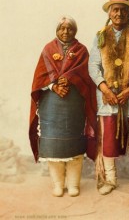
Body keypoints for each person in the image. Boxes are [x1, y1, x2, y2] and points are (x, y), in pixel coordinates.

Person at [88, 0, 129, 197]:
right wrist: (105, 89)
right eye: (115, 9)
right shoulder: (100, 35)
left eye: (123, 10)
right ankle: (110, 179)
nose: (119, 13)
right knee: (108, 139)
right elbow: (93, 65)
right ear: (109, 12)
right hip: (108, 98)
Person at [29, 16, 96, 197]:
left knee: (74, 144)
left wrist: (72, 78)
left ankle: (74, 184)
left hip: (74, 104)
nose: (65, 32)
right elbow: (38, 79)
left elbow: (88, 78)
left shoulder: (81, 51)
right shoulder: (48, 49)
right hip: (51, 105)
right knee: (53, 146)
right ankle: (58, 185)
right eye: (62, 28)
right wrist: (54, 86)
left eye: (70, 29)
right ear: (57, 30)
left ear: (75, 31)